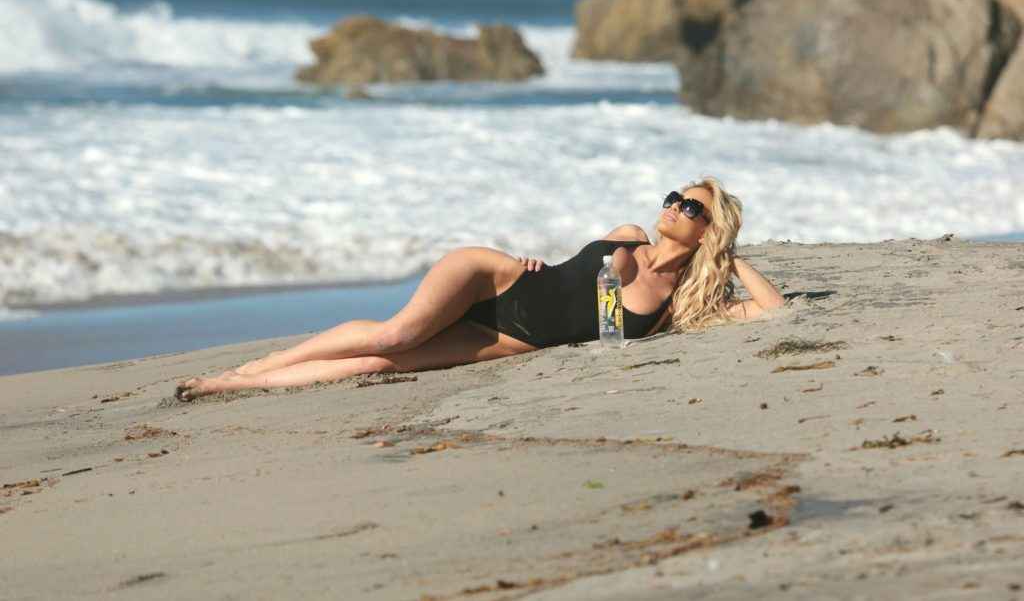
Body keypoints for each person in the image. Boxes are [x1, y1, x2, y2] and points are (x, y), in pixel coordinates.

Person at [174, 178, 784, 401]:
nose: (674, 206)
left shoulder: (679, 303)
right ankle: (252, 371)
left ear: (708, 230)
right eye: (674, 197)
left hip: (509, 338)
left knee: (379, 363)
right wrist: (538, 263)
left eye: (691, 207)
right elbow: (571, 273)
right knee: (395, 333)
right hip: (495, 278)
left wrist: (728, 257)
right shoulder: (628, 235)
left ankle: (243, 385)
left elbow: (773, 310)